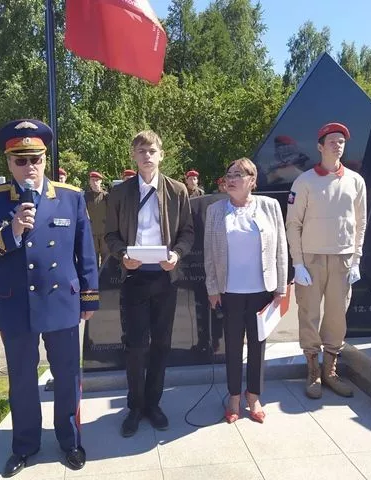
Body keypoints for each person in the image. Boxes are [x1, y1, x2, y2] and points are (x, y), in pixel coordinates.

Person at [0, 119, 99, 477]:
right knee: (22, 380)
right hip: (16, 303)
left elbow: (86, 252)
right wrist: (10, 233)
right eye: (20, 160)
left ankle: (70, 441)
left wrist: (89, 299)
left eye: (35, 159)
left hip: (61, 302)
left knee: (67, 376)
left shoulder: (70, 196)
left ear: (45, 159)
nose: (29, 167)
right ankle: (25, 445)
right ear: (9, 163)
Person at [105, 130, 194, 438]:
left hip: (165, 277)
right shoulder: (119, 193)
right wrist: (122, 254)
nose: (147, 156)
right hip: (134, 277)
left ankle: (153, 404)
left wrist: (177, 254)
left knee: (161, 344)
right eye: (141, 151)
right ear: (133, 155)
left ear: (161, 155)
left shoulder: (177, 190)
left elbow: (187, 232)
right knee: (135, 346)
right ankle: (135, 406)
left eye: (152, 151)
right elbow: (110, 235)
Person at [204, 157, 288, 424]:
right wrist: (212, 288)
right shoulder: (216, 210)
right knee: (231, 346)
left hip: (262, 290)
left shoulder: (270, 206)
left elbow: (281, 248)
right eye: (228, 175)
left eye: (238, 175)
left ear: (252, 180)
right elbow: (209, 253)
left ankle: (253, 396)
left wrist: (281, 287)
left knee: (257, 346)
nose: (231, 179)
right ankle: (233, 397)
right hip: (229, 291)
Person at [286, 123, 366, 399]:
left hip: (342, 258)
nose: (337, 145)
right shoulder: (305, 181)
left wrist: (356, 259)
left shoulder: (355, 181)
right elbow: (293, 224)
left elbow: (360, 223)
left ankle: (330, 371)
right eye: (332, 141)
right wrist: (298, 263)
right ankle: (313, 372)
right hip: (312, 259)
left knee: (337, 316)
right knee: (308, 314)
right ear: (320, 146)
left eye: (341, 141)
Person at [85, 171, 108, 266]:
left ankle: (105, 274)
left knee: (106, 257)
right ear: (89, 182)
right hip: (92, 232)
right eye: (93, 180)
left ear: (101, 181)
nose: (95, 182)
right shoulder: (86, 197)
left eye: (97, 180)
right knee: (93, 257)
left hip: (104, 232)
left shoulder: (106, 196)